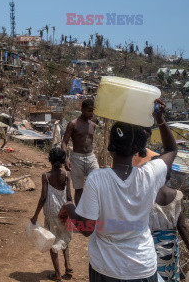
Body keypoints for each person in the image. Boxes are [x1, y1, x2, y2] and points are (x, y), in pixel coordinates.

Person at [59, 99, 177, 282]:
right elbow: (171, 149)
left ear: (110, 147)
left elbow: (87, 229)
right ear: (138, 148)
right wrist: (159, 118)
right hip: (143, 268)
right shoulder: (150, 173)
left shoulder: (97, 179)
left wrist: (70, 207)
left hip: (106, 269)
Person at [148, 157, 189, 282]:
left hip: (150, 249)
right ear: (168, 175)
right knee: (171, 276)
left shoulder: (146, 197)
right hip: (171, 250)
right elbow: (182, 227)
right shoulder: (177, 196)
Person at [31, 148, 73, 281]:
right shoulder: (66, 175)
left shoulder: (46, 176)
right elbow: (69, 197)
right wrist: (70, 212)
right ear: (62, 160)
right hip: (64, 211)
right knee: (64, 237)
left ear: (50, 159)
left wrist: (36, 215)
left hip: (51, 212)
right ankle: (68, 265)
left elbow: (43, 197)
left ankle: (57, 274)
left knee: (53, 242)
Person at [61, 98, 99, 205]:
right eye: (89, 111)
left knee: (97, 183)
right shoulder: (73, 124)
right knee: (78, 189)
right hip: (77, 158)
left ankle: (92, 210)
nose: (91, 113)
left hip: (91, 157)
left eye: (93, 111)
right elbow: (64, 142)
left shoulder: (93, 125)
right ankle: (79, 214)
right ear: (82, 109)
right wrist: (66, 158)